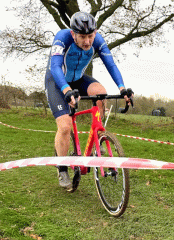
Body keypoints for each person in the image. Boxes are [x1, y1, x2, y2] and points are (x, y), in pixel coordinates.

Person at [45, 11, 133, 191]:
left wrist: (122, 88)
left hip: (78, 79)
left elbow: (111, 65)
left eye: (90, 36)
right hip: (57, 80)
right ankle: (62, 168)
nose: (87, 41)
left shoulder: (98, 41)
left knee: (101, 93)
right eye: (82, 37)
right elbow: (55, 66)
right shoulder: (62, 37)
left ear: (96, 32)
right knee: (65, 126)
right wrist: (67, 90)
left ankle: (99, 135)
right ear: (73, 34)